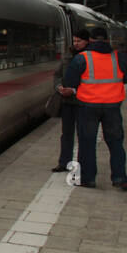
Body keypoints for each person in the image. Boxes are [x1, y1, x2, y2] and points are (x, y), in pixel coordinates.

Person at [63, 25, 127, 190]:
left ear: (90, 40)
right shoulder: (118, 57)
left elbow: (69, 82)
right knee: (116, 143)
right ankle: (120, 178)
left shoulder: (82, 58)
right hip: (113, 106)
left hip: (88, 106)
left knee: (87, 143)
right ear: (107, 39)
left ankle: (88, 179)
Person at [52, 29, 89, 172]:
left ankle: (81, 164)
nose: (76, 43)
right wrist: (59, 86)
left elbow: (91, 81)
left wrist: (74, 90)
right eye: (74, 41)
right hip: (67, 102)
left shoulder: (90, 57)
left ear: (87, 41)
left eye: (79, 41)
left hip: (83, 102)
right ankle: (64, 162)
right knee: (66, 134)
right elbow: (57, 74)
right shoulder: (68, 56)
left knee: (83, 135)